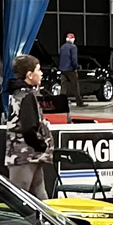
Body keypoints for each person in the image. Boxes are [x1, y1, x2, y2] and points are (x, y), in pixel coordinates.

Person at [6, 53, 55, 200]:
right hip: (24, 155)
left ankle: (49, 222)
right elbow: (28, 128)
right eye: (38, 70)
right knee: (19, 198)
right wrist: (41, 145)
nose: (41, 73)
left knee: (40, 194)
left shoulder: (19, 94)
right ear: (29, 75)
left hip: (29, 155)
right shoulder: (26, 96)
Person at [58, 31, 82, 108]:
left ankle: (61, 102)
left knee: (63, 87)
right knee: (75, 86)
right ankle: (79, 102)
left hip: (62, 69)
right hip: (71, 70)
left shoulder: (62, 47)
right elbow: (74, 59)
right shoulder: (73, 47)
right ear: (73, 39)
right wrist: (76, 67)